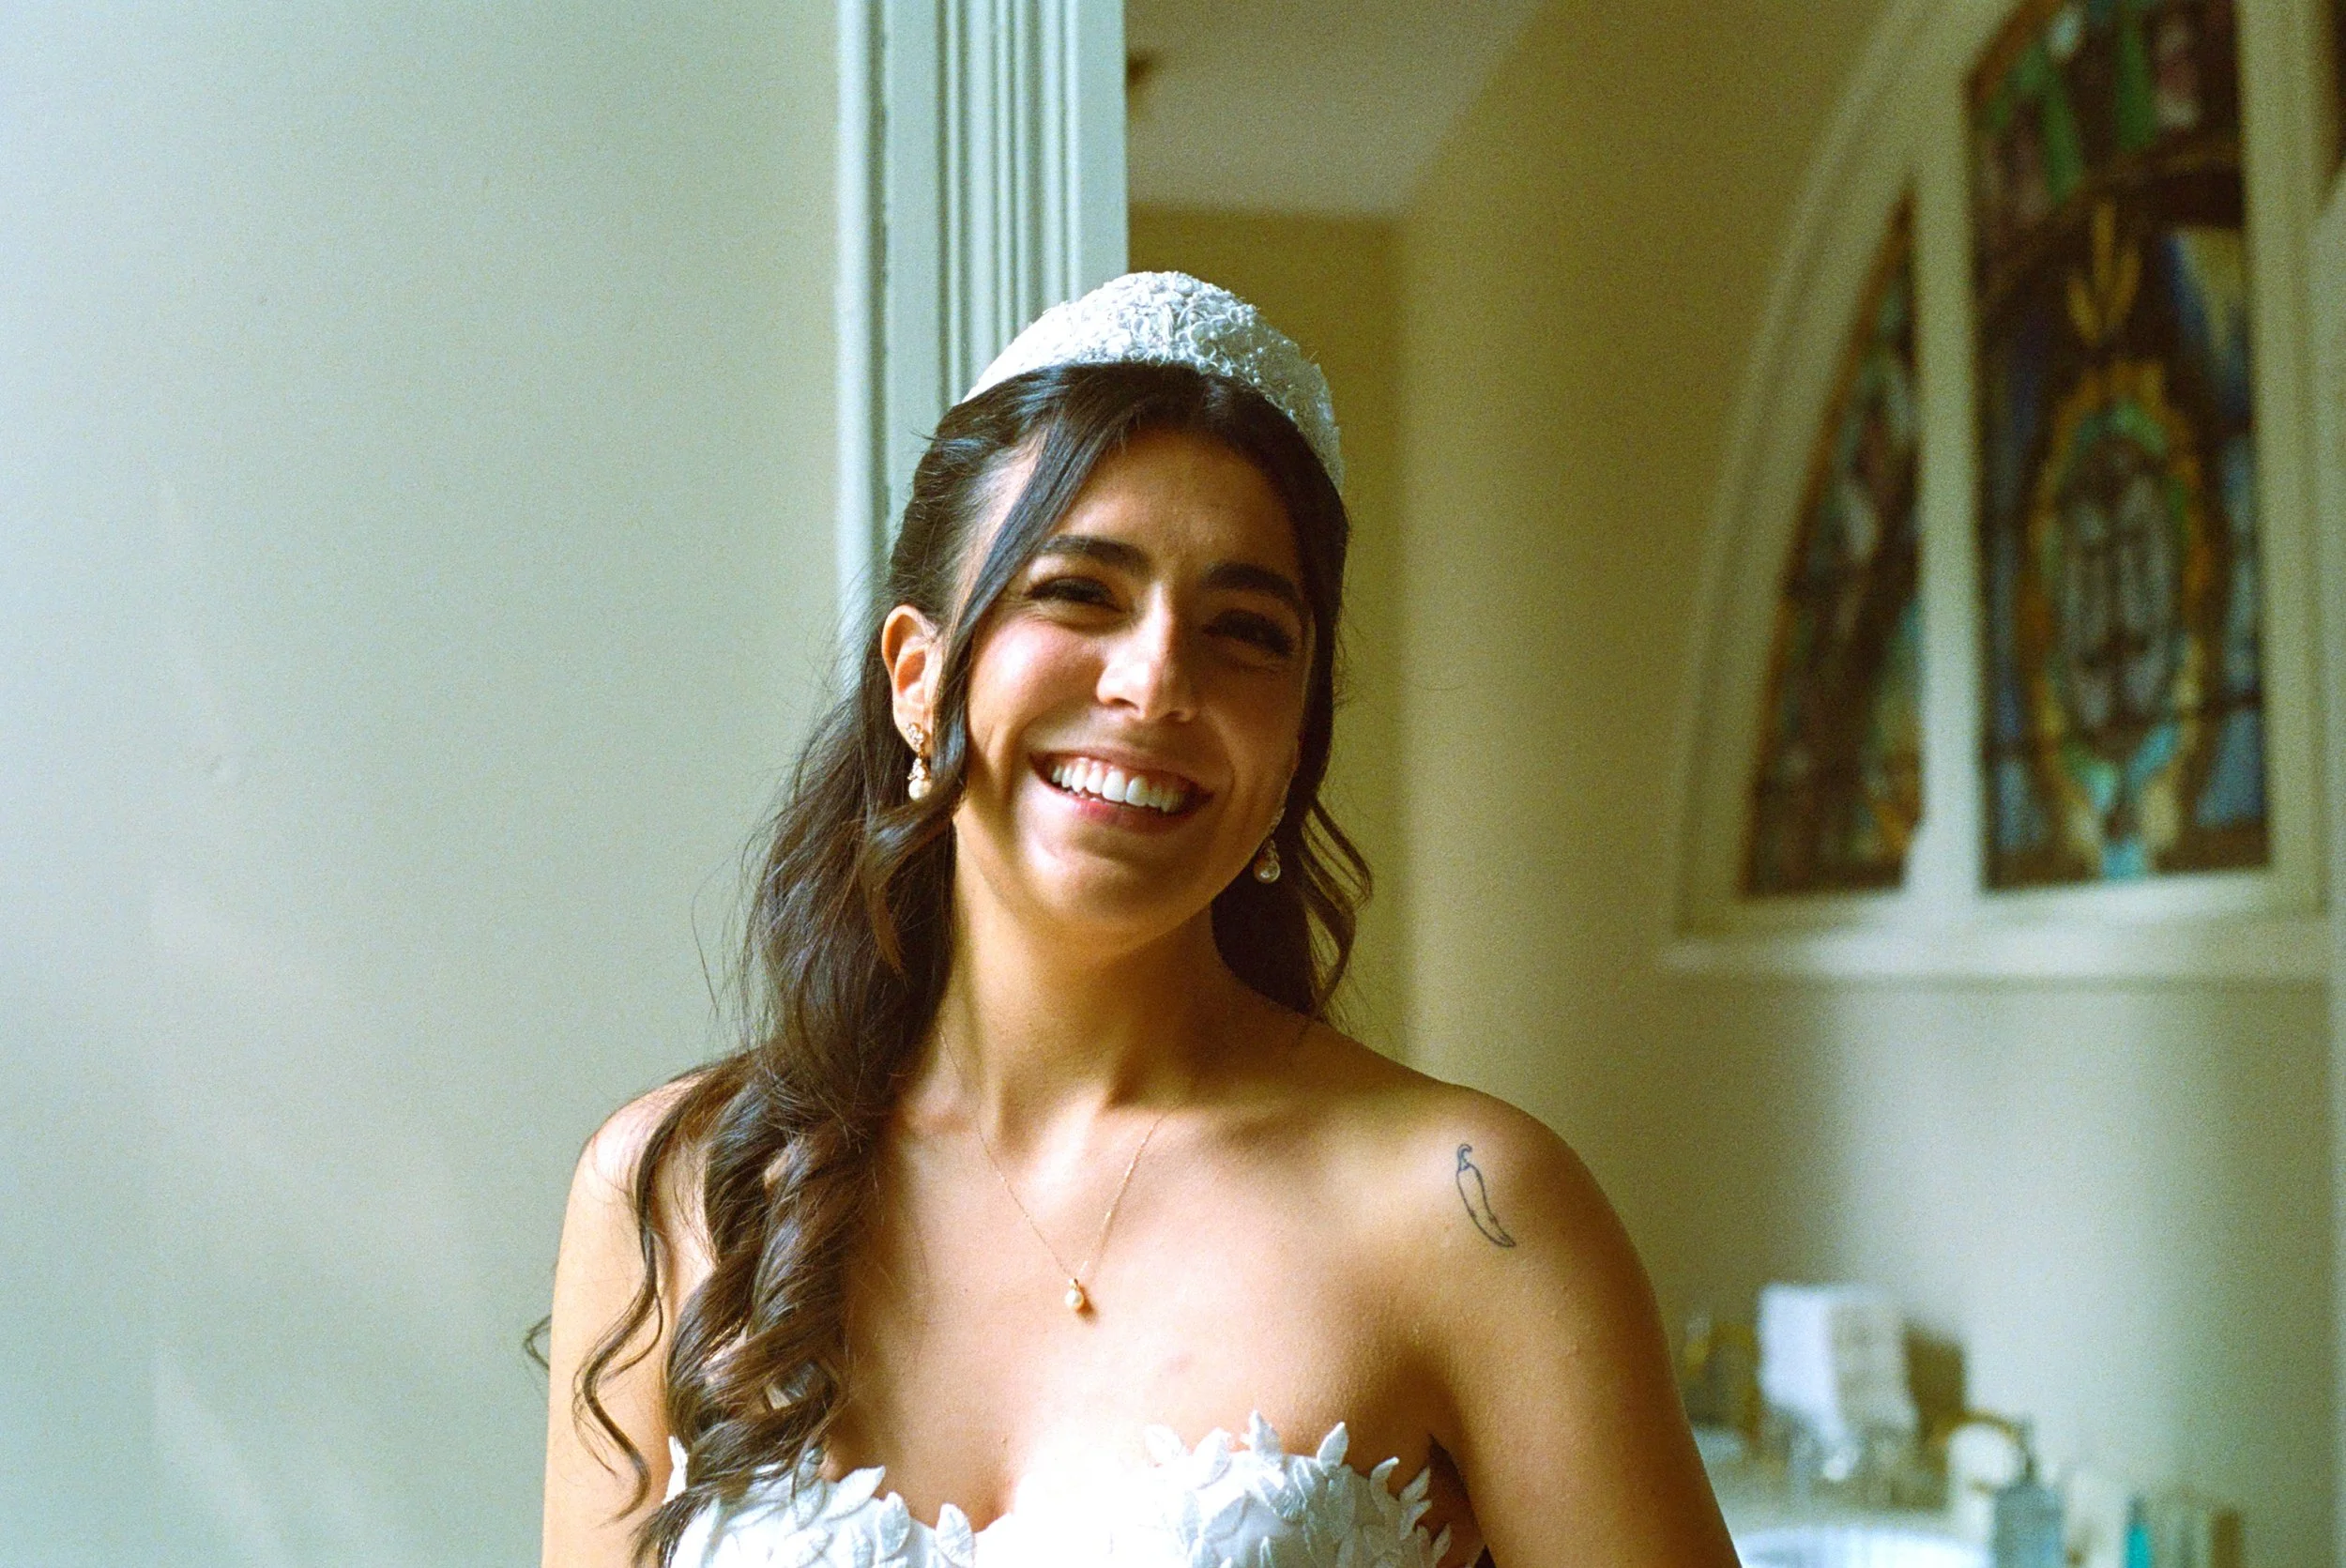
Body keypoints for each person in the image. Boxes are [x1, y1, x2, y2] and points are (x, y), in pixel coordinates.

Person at [541, 272, 1738, 1568]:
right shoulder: (671, 1192)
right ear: (918, 678)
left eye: (1245, 630)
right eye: (1078, 592)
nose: (1158, 681)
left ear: (1294, 745)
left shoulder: (1469, 1215)